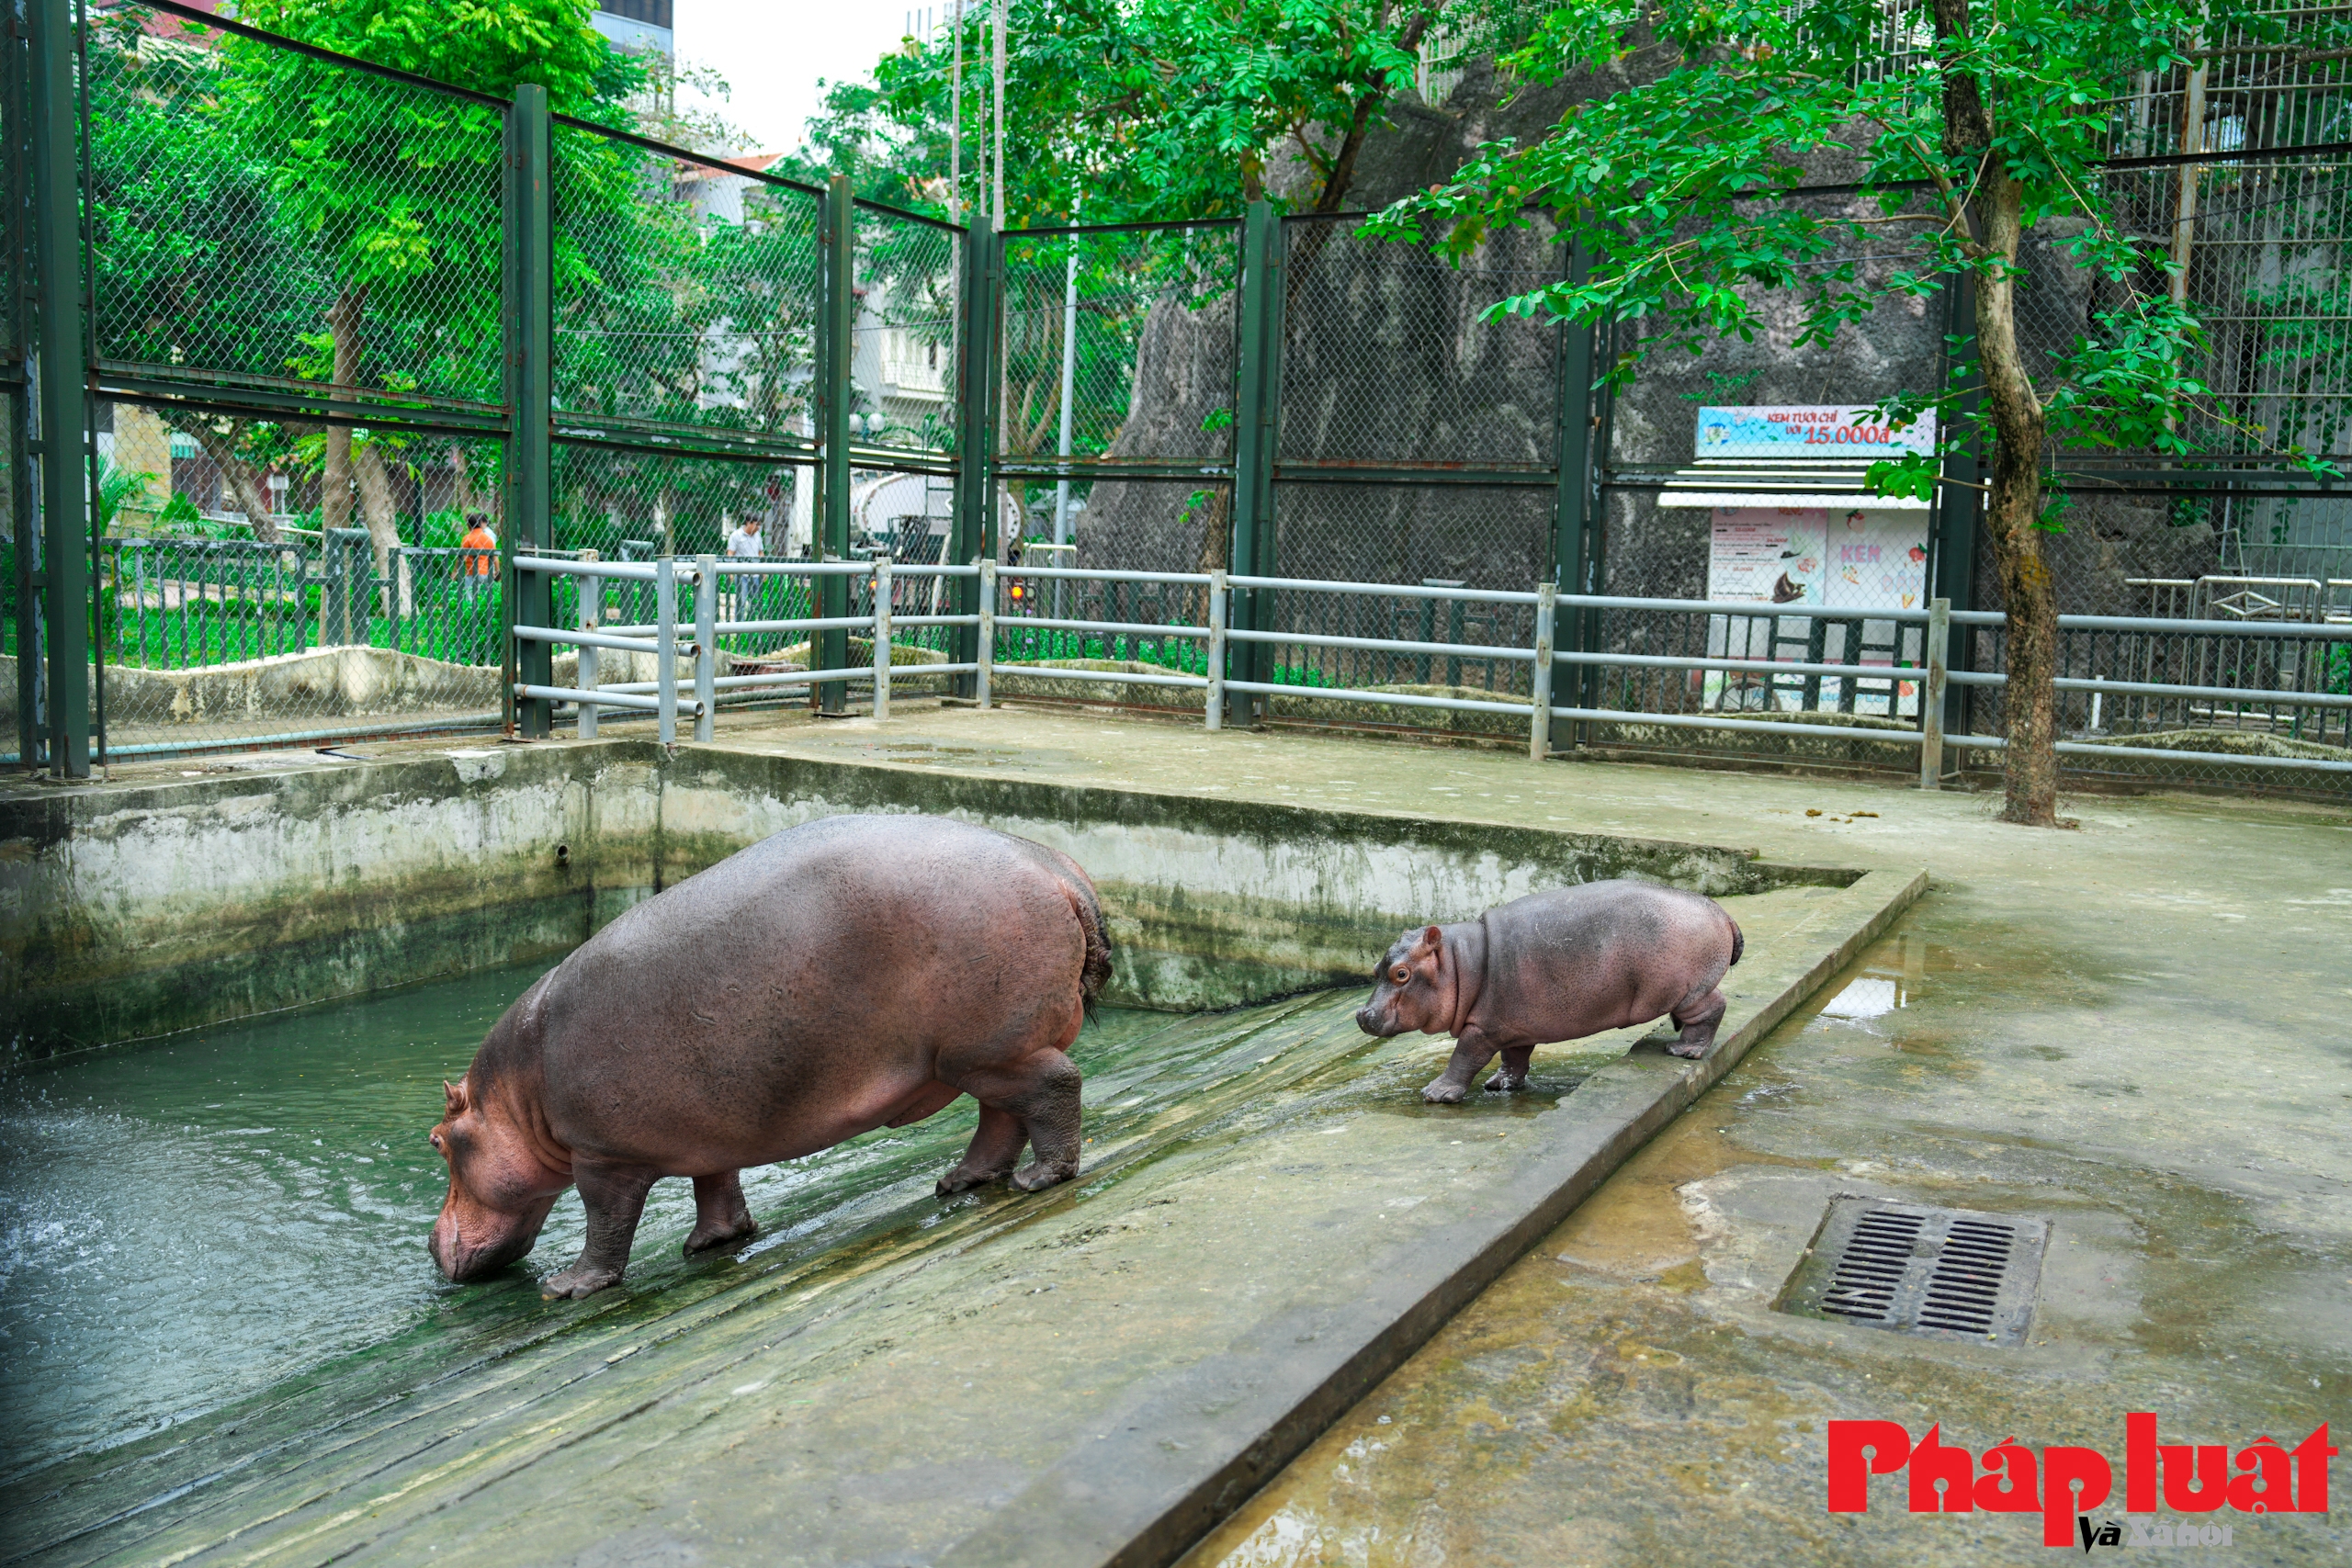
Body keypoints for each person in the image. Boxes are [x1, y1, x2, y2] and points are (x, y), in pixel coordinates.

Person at [459, 513, 498, 602]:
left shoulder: (467, 539)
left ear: (468, 525)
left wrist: (455, 571)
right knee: (486, 599)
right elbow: (495, 556)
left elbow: (462, 557)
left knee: (470, 599)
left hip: (472, 573)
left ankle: (471, 613)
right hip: (487, 573)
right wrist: (497, 570)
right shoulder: (488, 538)